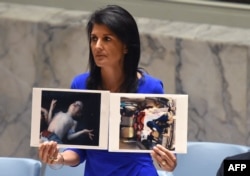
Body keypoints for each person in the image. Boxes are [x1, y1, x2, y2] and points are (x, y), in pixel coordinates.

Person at [38, 5, 177, 175]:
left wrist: (168, 162)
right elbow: (80, 149)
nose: (97, 46)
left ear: (126, 46)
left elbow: (163, 148)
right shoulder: (81, 84)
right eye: (94, 38)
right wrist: (58, 158)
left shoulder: (151, 87)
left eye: (107, 39)